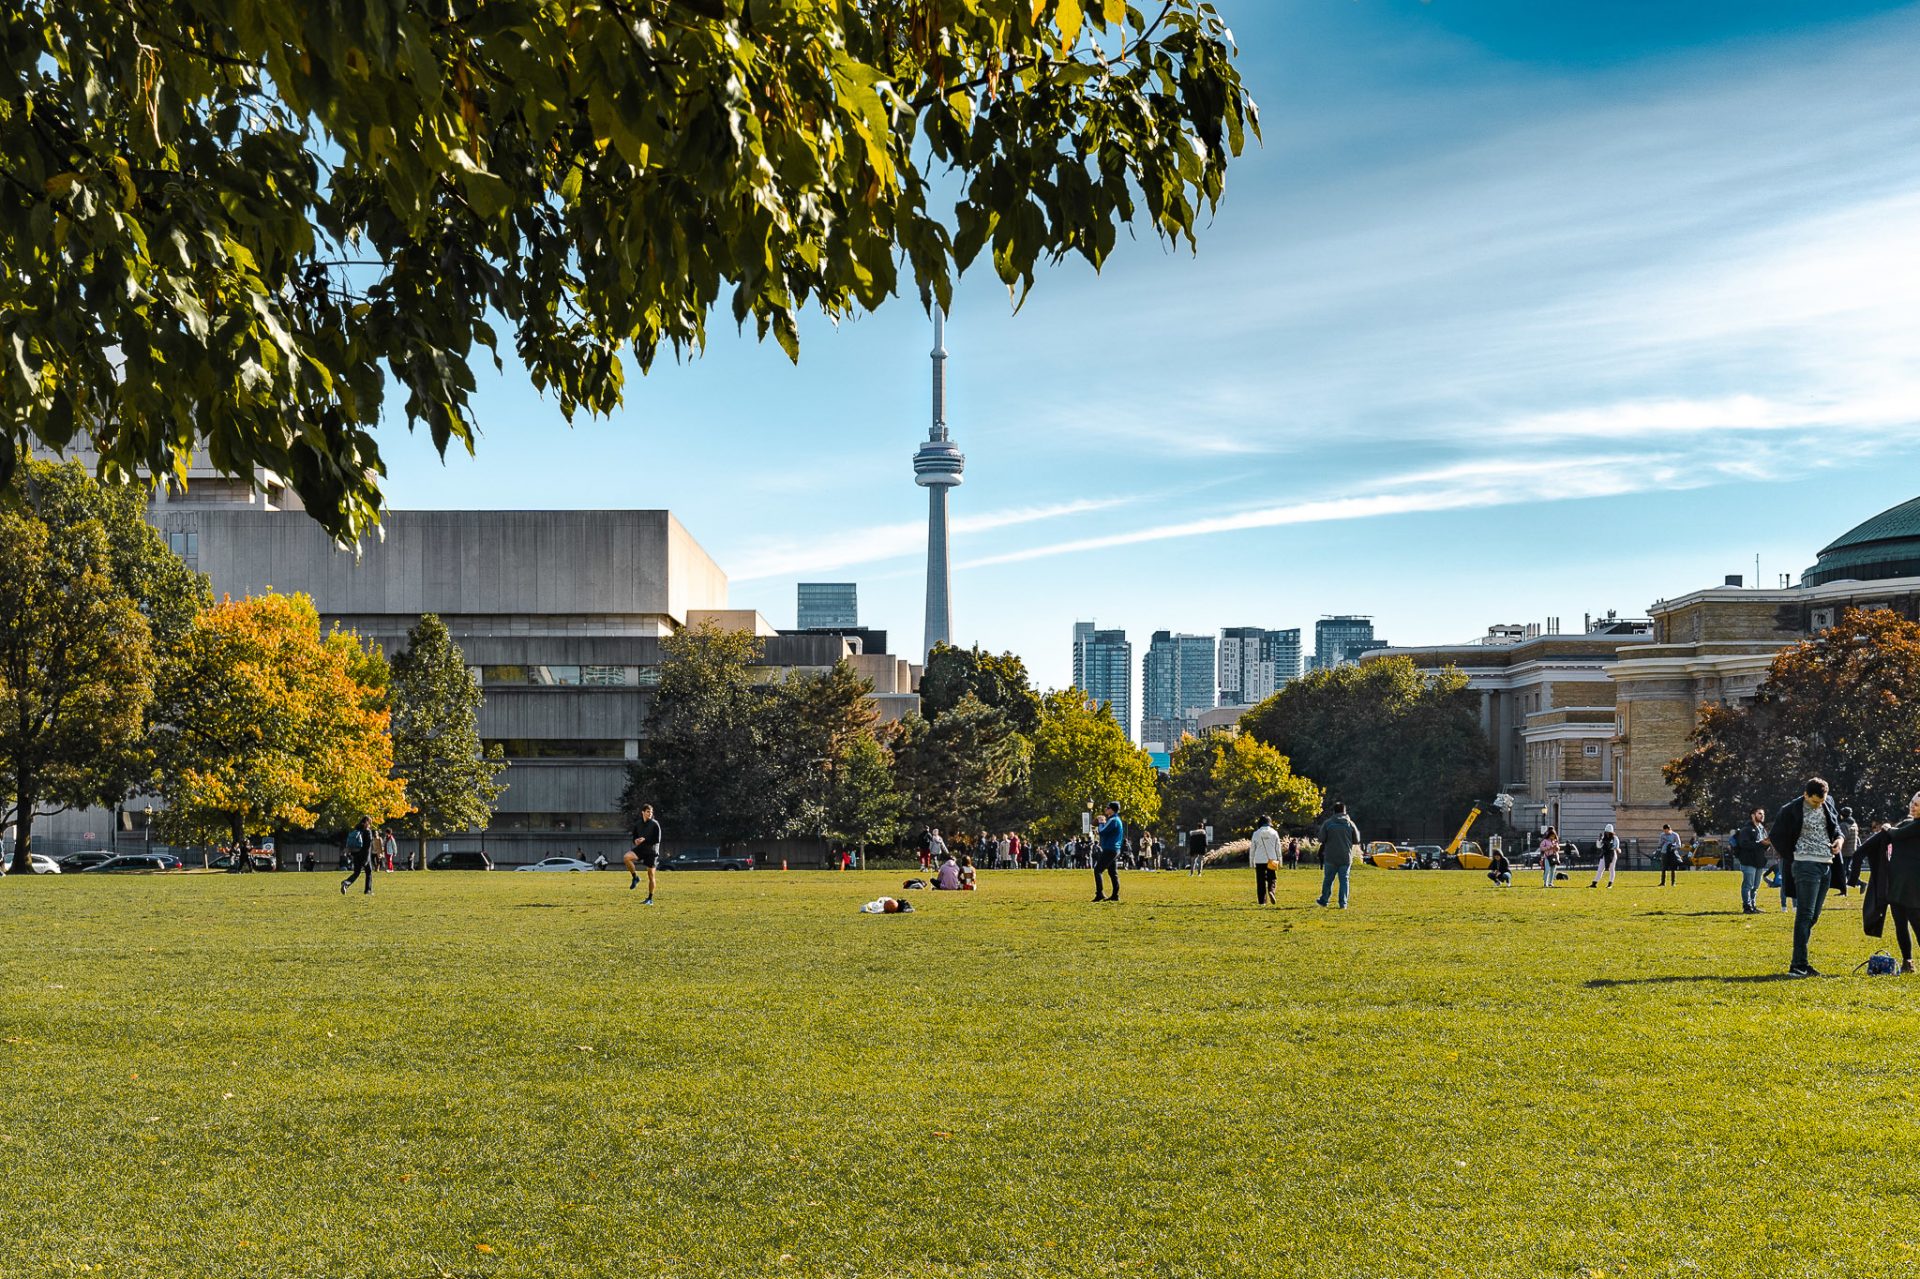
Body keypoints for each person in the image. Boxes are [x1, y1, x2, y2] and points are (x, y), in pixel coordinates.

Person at [1768, 777, 1846, 978]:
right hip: (1805, 864)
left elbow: (1836, 828)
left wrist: (1839, 841)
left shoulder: (1827, 804)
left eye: (1822, 801)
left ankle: (1799, 960)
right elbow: (1775, 835)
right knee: (1804, 914)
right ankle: (1798, 965)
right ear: (1806, 795)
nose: (1819, 804)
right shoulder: (1791, 810)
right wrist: (1793, 855)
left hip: (1826, 864)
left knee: (1813, 916)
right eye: (1815, 801)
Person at [1859, 793, 1920, 973]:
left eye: (1917, 805)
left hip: (1913, 883)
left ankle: (1909, 961)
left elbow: (1897, 834)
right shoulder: (1908, 822)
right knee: (1900, 923)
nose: (1913, 807)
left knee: (1917, 924)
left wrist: (1887, 827)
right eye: (1912, 803)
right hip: (1896, 881)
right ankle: (1907, 961)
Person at [1315, 802, 1361, 909]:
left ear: (1334, 811)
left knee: (1328, 880)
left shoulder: (1328, 823)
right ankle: (1343, 903)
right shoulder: (1350, 823)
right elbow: (1357, 840)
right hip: (1345, 856)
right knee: (1344, 880)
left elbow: (1321, 839)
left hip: (1331, 856)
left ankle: (1324, 900)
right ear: (1345, 811)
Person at [1728, 808, 1770, 914]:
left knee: (1755, 886)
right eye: (1759, 813)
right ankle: (1747, 907)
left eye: (1763, 814)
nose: (1762, 815)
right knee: (1748, 885)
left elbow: (1764, 846)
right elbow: (1744, 844)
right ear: (1752, 815)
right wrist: (1760, 843)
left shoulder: (1762, 829)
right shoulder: (1746, 829)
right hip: (1748, 862)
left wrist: (1767, 844)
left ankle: (1753, 906)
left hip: (1759, 862)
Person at [625, 802, 663, 903]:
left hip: (652, 851)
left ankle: (650, 899)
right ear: (643, 812)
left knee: (651, 876)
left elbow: (657, 840)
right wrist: (636, 841)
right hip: (641, 849)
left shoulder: (655, 824)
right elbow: (634, 837)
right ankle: (635, 877)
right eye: (647, 812)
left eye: (651, 812)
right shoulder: (638, 824)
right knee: (627, 857)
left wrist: (644, 840)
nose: (649, 814)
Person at [1094, 802, 1124, 903]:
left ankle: (1100, 894)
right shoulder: (1116, 820)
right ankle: (1115, 895)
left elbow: (1102, 832)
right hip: (1115, 849)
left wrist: (1101, 822)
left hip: (1110, 849)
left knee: (1097, 870)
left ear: (1112, 810)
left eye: (1107, 808)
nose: (1106, 809)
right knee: (1112, 873)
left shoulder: (1113, 820)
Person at [340, 816, 376, 895]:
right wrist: (366, 860)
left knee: (356, 873)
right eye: (370, 823)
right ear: (367, 822)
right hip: (365, 856)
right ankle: (368, 891)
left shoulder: (357, 829)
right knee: (369, 872)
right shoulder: (367, 832)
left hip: (356, 854)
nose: (370, 825)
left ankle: (346, 883)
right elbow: (367, 847)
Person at [1249, 815, 1281, 905]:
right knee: (1272, 878)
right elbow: (1278, 847)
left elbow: (1252, 849)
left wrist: (1251, 862)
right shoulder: (1274, 833)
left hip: (1259, 860)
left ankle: (1262, 902)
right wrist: (1280, 859)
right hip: (1272, 859)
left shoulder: (1256, 833)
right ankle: (1271, 891)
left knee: (1260, 881)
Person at [1833, 806, 1860, 897]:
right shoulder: (1854, 824)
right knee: (1847, 870)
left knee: (1842, 871)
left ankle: (1843, 891)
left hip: (1845, 851)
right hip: (1852, 850)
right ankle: (1860, 883)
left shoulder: (1844, 825)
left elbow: (1843, 837)